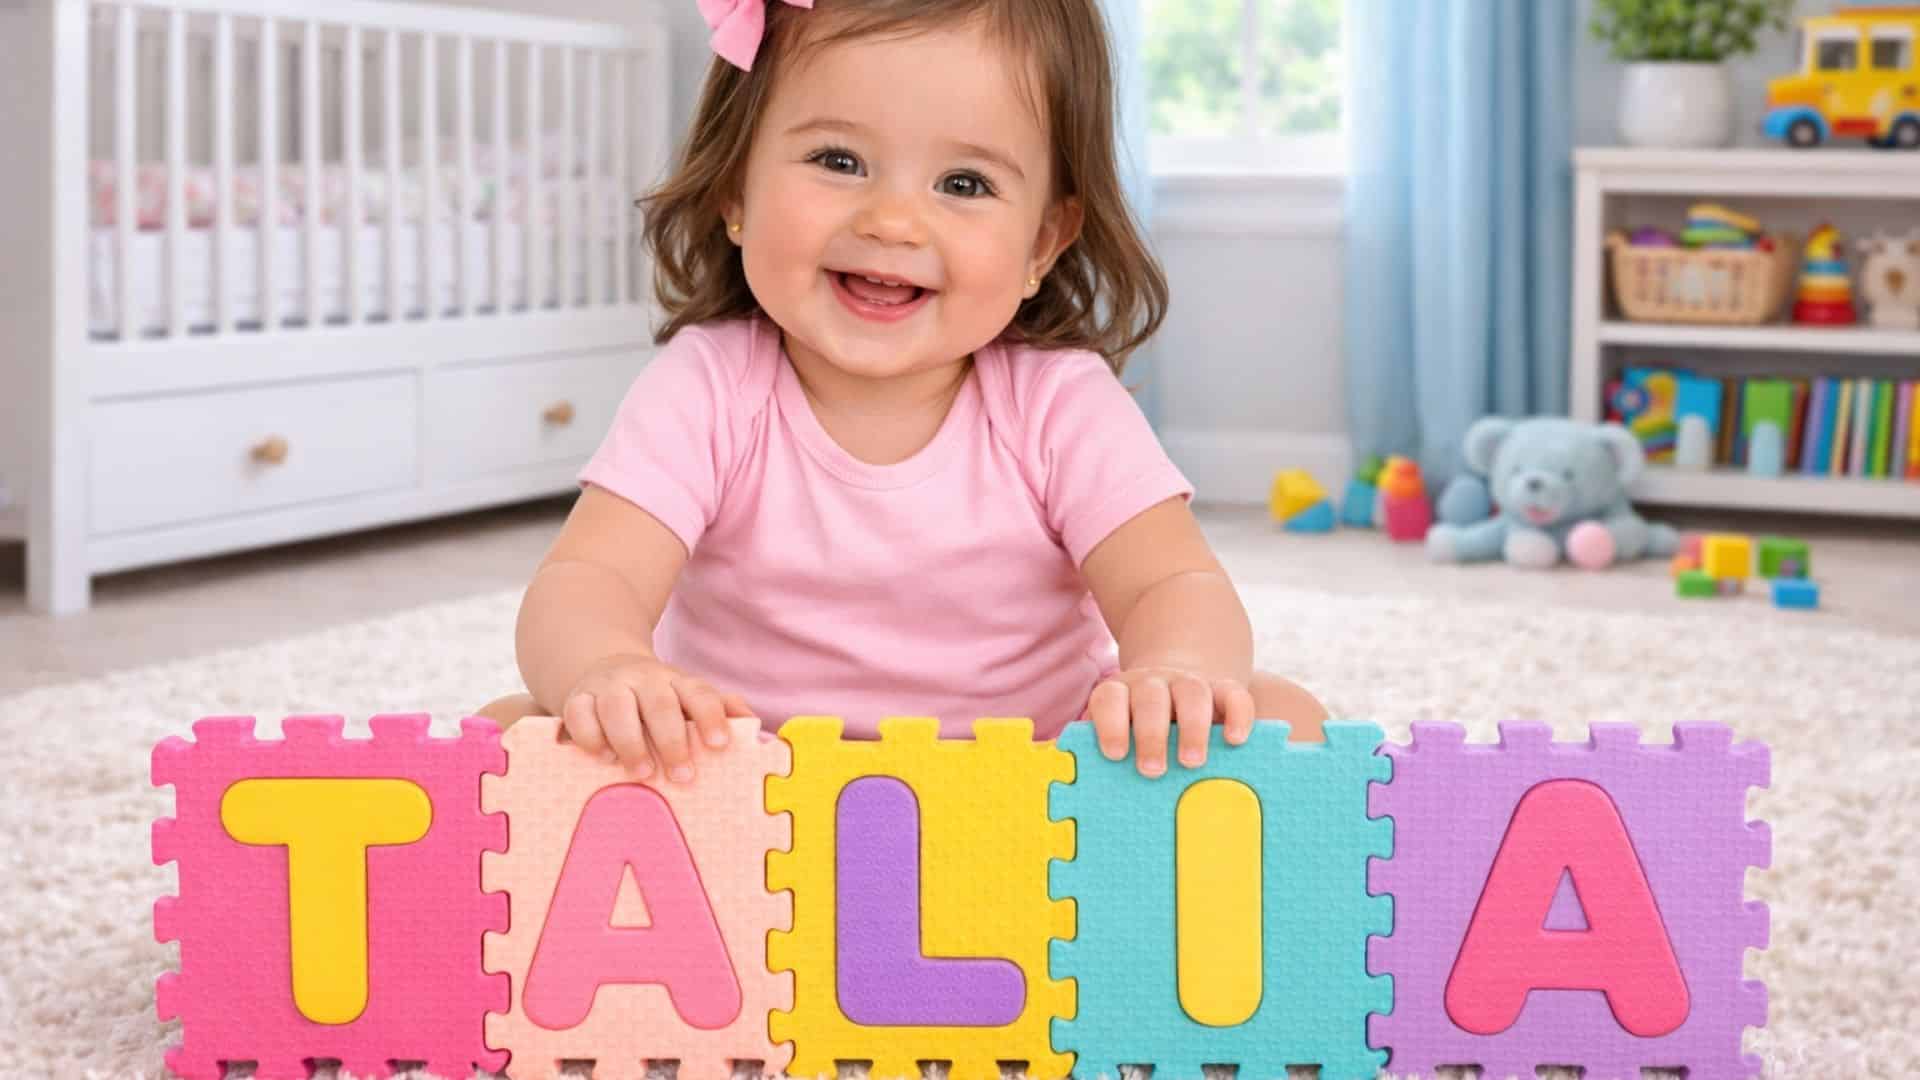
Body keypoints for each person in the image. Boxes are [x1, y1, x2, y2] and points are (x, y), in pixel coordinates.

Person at [478, 0, 1329, 780]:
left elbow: (1170, 584)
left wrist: (1173, 669)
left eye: (964, 184)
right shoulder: (707, 386)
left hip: (1032, 782)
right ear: (735, 187)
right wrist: (609, 670)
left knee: (1281, 717)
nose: (892, 221)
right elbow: (590, 577)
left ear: (1044, 240)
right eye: (838, 161)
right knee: (513, 733)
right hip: (740, 780)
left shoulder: (1060, 404)